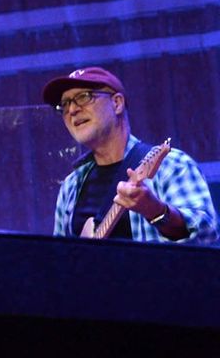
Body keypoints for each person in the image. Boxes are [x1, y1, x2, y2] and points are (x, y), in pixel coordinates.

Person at [43, 66, 215, 244]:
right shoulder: (71, 185)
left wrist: (156, 211)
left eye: (84, 96)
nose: (72, 110)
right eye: (65, 104)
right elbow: (58, 256)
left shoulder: (171, 165)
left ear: (117, 103)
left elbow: (206, 233)